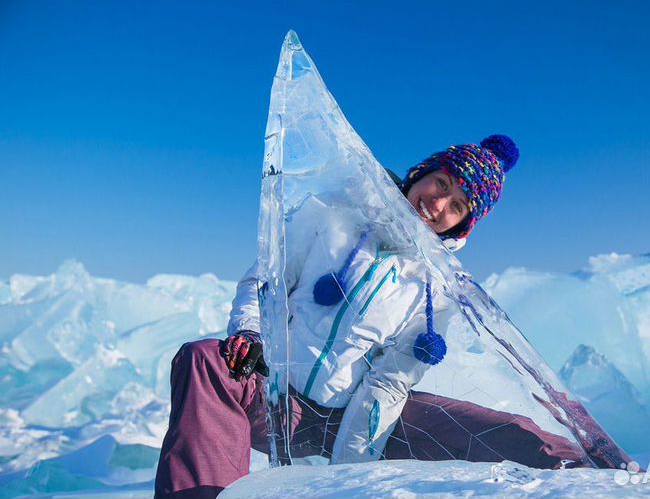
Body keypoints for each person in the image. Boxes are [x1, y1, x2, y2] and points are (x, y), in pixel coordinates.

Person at [154, 135, 596, 499]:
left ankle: (601, 476)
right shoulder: (331, 214)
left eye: (457, 205)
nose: (439, 205)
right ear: (421, 174)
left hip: (353, 422)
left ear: (462, 226)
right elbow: (265, 281)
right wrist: (250, 332)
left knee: (504, 430)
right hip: (275, 400)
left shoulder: (437, 288)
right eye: (441, 184)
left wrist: (346, 479)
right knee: (205, 360)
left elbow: (390, 381)